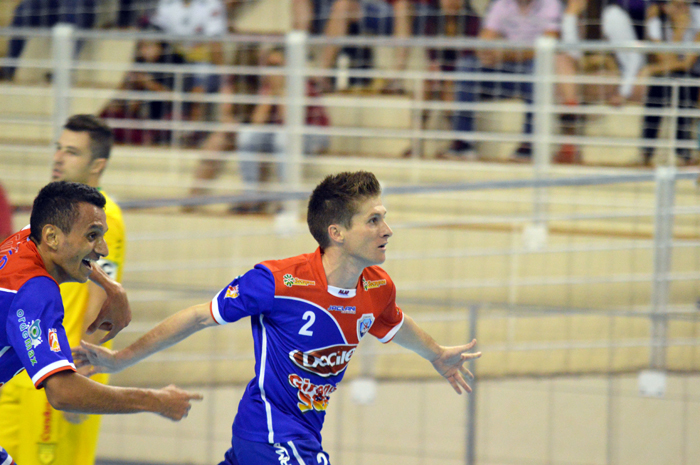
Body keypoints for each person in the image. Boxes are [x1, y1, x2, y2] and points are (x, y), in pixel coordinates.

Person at [74, 170, 482, 464]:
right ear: (337, 232)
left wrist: (435, 354)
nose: (387, 229)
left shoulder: (377, 286)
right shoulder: (277, 280)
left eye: (384, 217)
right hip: (268, 429)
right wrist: (121, 359)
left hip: (302, 434)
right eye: (373, 220)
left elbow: (394, 323)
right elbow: (199, 316)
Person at [0, 181, 202, 465]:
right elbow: (62, 392)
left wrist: (112, 287)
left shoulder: (26, 240)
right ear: (52, 237)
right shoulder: (36, 294)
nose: (104, 250)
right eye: (93, 236)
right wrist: (155, 401)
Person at [0, 115, 129, 465]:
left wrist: (79, 370)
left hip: (56, 370)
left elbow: (100, 306)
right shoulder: (54, 215)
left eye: (72, 152)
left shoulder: (103, 219)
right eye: (58, 148)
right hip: (21, 366)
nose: (58, 158)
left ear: (96, 165)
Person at [450, 0, 576, 162]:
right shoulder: (502, 4)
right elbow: (485, 39)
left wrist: (506, 54)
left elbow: (548, 45)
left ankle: (529, 146)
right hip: (507, 68)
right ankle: (463, 143)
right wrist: (487, 53)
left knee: (538, 68)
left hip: (533, 69)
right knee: (467, 66)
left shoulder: (550, 4)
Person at [639, 0, 700, 165]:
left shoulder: (698, 21)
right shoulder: (657, 23)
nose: (684, 10)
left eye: (686, 5)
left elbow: (687, 63)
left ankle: (683, 154)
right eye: (679, 6)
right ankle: (646, 153)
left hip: (692, 74)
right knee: (656, 92)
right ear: (666, 7)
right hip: (668, 72)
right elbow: (665, 58)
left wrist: (652, 68)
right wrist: (679, 33)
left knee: (685, 89)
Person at [0, 0, 97, 81]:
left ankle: (62, 73)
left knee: (74, 11)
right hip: (51, 4)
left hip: (80, 5)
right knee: (23, 11)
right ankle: (8, 69)